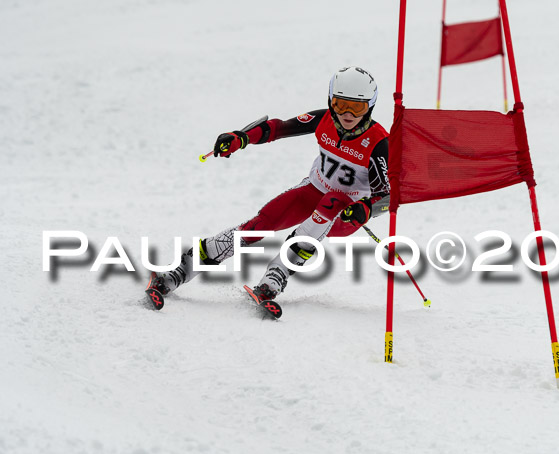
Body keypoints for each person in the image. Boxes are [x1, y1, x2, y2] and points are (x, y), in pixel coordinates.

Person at [146, 66, 391, 303]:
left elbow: (389, 196)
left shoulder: (379, 144)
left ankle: (277, 275)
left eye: (356, 107)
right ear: (330, 100)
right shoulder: (323, 119)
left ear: (370, 107)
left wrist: (365, 209)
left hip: (345, 213)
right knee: (260, 224)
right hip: (313, 191)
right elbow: (278, 128)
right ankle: (181, 271)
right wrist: (241, 138)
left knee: (331, 201)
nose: (347, 114)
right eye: (340, 104)